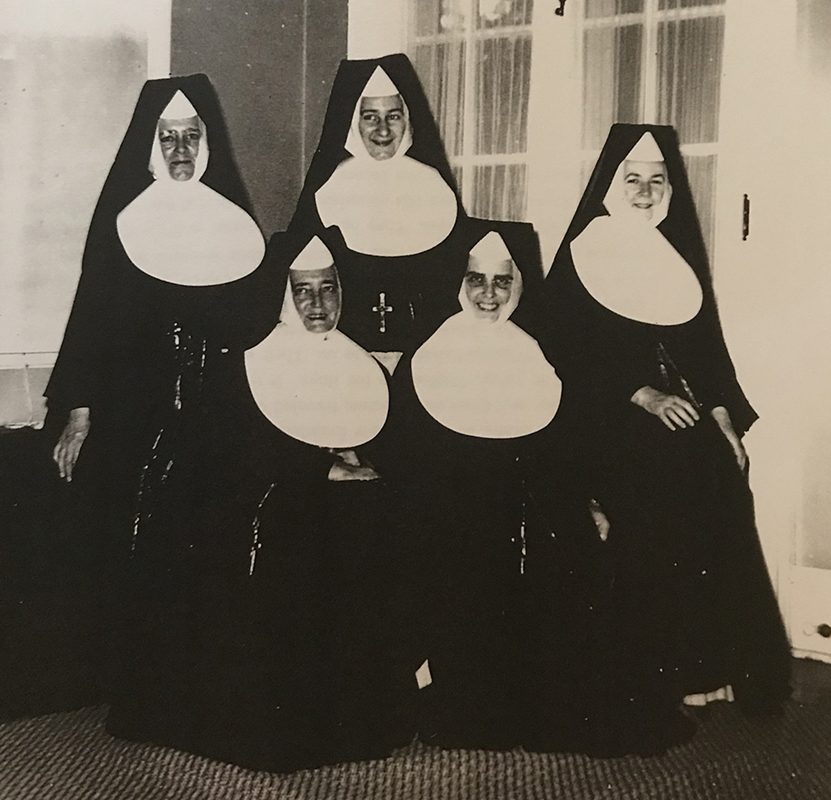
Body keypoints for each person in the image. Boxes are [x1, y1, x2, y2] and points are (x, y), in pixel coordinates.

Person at [533, 124, 792, 756]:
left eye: (656, 181)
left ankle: (706, 673)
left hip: (681, 420)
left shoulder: (674, 254)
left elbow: (705, 351)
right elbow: (563, 349)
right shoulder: (584, 252)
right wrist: (641, 395)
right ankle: (654, 677)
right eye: (632, 180)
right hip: (603, 426)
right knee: (652, 513)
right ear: (610, 186)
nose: (645, 192)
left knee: (719, 486)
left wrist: (727, 421)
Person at [109, 232, 411, 773]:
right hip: (256, 517)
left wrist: (357, 461)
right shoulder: (248, 362)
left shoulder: (355, 361)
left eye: (328, 289)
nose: (318, 305)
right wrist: (324, 466)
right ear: (281, 296)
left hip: (327, 513)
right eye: (302, 292)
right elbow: (240, 455)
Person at [42, 74, 270, 705]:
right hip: (131, 410)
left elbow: (254, 331)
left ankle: (193, 675)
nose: (178, 149)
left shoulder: (234, 225)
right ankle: (129, 677)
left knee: (204, 535)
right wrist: (80, 415)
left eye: (190, 136)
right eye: (166, 137)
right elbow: (89, 317)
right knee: (131, 534)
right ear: (149, 146)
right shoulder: (122, 224)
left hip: (211, 410)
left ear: (207, 145)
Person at [383, 225, 562, 751]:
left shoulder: (535, 352)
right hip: (442, 512)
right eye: (477, 280)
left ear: (519, 286)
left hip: (512, 510)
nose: (489, 294)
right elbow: (399, 441)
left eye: (502, 282)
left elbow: (550, 448)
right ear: (459, 284)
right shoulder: (430, 350)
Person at [288, 53, 468, 371]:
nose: (383, 130)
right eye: (370, 116)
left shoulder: (433, 187)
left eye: (393, 116)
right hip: (341, 355)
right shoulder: (329, 189)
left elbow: (454, 284)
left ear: (408, 119)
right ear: (353, 122)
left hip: (423, 355)